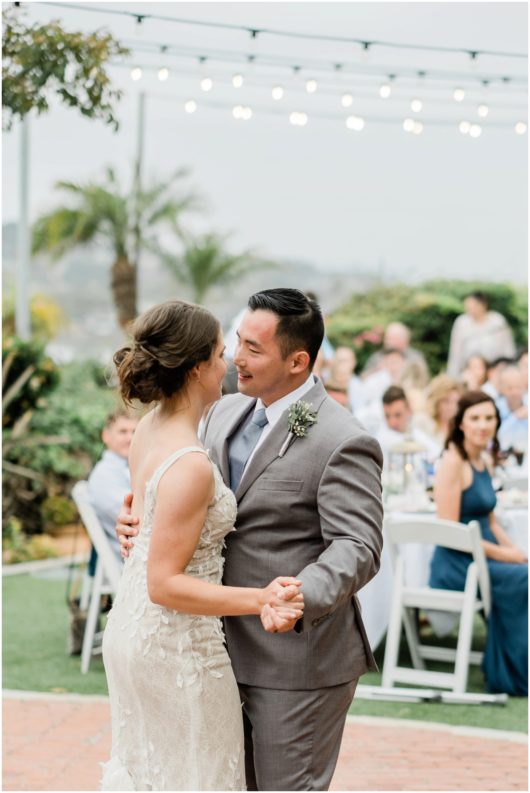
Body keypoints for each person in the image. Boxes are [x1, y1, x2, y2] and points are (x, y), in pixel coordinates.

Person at [117, 288, 384, 791]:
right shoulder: (222, 411)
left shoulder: (343, 438)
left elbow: (358, 545)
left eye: (254, 348)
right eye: (237, 341)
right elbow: (188, 497)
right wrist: (139, 516)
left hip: (294, 659)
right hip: (210, 650)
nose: (237, 357)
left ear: (298, 361)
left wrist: (298, 594)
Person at [101, 299, 304, 791]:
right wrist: (263, 599)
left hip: (132, 631)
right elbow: (166, 584)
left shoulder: (149, 429)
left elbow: (149, 524)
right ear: (195, 369)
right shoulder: (190, 462)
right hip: (177, 645)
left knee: (152, 772)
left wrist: (134, 521)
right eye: (218, 353)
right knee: (200, 776)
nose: (229, 361)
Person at [429, 391, 528, 696]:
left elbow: (492, 521)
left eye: (489, 418)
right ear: (461, 424)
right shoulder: (453, 462)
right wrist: (507, 557)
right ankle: (512, 674)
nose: (483, 425)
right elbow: (450, 530)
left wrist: (516, 552)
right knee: (522, 579)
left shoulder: (484, 458)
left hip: (484, 556)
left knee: (523, 568)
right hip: (459, 563)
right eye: (475, 418)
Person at [87, 408, 138, 566]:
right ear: (106, 436)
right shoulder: (103, 475)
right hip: (129, 556)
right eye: (123, 432)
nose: (130, 438)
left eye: (134, 431)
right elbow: (135, 519)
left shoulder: (130, 467)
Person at [447, 291, 516, 377]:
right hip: (470, 371)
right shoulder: (461, 322)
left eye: (473, 306)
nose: (469, 310)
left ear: (483, 305)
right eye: (467, 307)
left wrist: (509, 368)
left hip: (495, 370)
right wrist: (453, 375)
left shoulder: (497, 321)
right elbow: (455, 353)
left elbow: (508, 349)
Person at [375, 385, 440, 465]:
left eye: (398, 415)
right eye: (387, 416)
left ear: (409, 411)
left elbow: (438, 454)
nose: (392, 422)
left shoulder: (416, 431)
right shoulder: (381, 439)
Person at [362, 321, 429, 386]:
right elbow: (364, 378)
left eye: (391, 338)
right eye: (386, 338)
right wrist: (378, 370)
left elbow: (423, 380)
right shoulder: (377, 357)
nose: (387, 342)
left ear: (404, 340)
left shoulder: (415, 357)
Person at [414, 375, 462, 449]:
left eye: (456, 402)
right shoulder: (423, 422)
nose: (452, 407)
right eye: (446, 401)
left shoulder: (459, 426)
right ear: (436, 401)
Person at [495, 365, 528, 456]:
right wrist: (515, 417)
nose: (514, 392)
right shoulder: (496, 407)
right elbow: (495, 435)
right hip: (504, 457)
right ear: (501, 388)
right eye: (510, 388)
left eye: (518, 387)